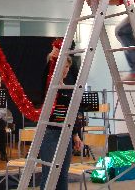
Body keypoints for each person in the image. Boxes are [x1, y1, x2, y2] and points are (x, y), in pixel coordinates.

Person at [39, 45, 83, 190]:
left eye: (67, 67)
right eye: (63, 66)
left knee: (63, 175)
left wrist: (76, 134)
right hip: (51, 133)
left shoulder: (67, 88)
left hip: (66, 134)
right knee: (50, 174)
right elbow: (46, 75)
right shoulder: (49, 86)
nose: (66, 70)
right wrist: (52, 59)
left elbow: (71, 114)